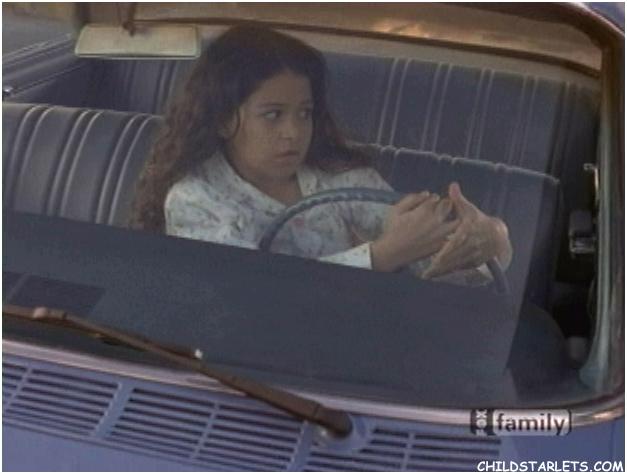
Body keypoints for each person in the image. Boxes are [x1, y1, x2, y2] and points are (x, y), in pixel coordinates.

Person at [130, 25, 512, 284]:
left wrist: (490, 238)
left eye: (305, 113)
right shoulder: (196, 199)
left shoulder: (342, 179)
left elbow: (439, 262)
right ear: (224, 119)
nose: (293, 132)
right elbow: (249, 295)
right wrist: (380, 256)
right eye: (273, 115)